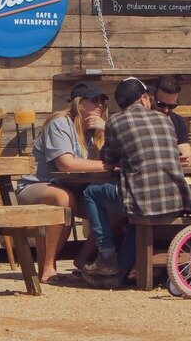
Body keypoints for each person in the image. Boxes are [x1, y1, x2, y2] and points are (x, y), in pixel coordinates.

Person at [15, 81, 116, 282]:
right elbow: (66, 164)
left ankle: (82, 260)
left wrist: (106, 132)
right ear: (78, 103)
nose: (99, 106)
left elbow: (109, 158)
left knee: (115, 205)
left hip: (75, 188)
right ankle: (48, 267)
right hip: (37, 185)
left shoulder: (97, 130)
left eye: (102, 102)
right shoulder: (60, 123)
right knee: (63, 199)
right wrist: (109, 166)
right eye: (94, 100)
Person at [100, 76, 191, 283]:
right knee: (139, 213)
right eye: (160, 103)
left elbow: (108, 157)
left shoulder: (116, 120)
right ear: (145, 98)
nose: (167, 109)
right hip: (179, 201)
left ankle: (106, 255)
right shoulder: (165, 120)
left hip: (144, 202)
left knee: (91, 193)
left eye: (172, 106)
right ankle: (122, 268)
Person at [149, 74, 191, 171]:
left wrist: (183, 161)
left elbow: (189, 158)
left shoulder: (177, 120)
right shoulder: (141, 122)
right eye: (161, 105)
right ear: (151, 97)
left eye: (172, 106)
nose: (166, 110)